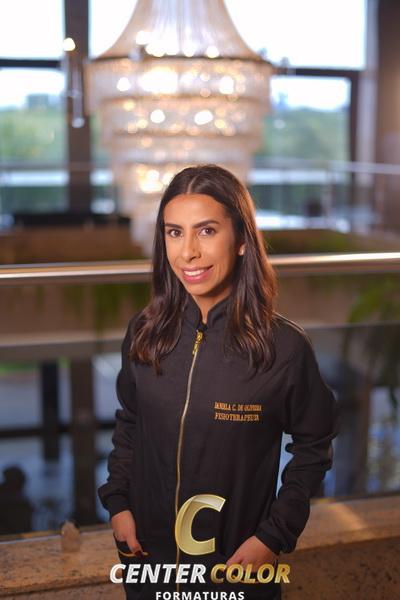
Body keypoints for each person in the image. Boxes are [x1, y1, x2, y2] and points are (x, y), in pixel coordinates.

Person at [98, 164, 340, 599]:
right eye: (174, 233)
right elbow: (130, 422)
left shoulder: (282, 348)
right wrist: (118, 503)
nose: (188, 252)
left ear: (242, 239)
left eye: (206, 231)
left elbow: (313, 447)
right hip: (148, 565)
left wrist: (273, 535)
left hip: (234, 571)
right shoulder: (145, 332)